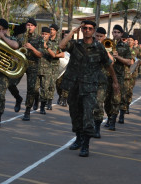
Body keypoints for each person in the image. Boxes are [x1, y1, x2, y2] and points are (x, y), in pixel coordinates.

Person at [59, 20, 119, 157]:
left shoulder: (99, 47)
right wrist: (73, 32)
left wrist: (115, 82)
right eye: (84, 28)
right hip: (74, 85)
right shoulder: (75, 44)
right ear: (82, 30)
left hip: (90, 87)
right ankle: (79, 138)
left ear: (93, 31)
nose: (87, 30)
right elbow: (61, 45)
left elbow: (109, 65)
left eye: (90, 28)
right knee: (75, 114)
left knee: (87, 116)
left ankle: (85, 144)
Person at [104, 25, 132, 131]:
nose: (115, 34)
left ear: (121, 34)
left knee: (116, 99)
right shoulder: (107, 44)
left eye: (117, 32)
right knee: (106, 100)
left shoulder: (125, 47)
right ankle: (109, 116)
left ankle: (112, 121)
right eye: (114, 32)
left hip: (119, 76)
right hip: (107, 75)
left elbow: (129, 62)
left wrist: (118, 57)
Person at [20, 18, 44, 121]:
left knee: (31, 89)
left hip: (33, 66)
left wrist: (32, 48)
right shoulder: (21, 37)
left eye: (31, 25)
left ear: (35, 27)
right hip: (22, 64)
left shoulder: (39, 38)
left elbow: (40, 54)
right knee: (11, 83)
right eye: (27, 25)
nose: (29, 26)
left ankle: (27, 111)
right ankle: (18, 98)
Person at [93, 27, 114, 138]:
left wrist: (104, 49)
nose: (99, 38)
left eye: (101, 37)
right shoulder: (89, 44)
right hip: (88, 80)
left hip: (101, 81)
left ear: (104, 37)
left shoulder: (107, 46)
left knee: (98, 104)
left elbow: (111, 61)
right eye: (97, 36)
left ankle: (97, 128)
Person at [33, 27, 54, 114]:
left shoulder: (52, 44)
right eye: (42, 34)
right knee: (35, 89)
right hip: (37, 69)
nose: (44, 36)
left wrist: (46, 47)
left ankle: (42, 107)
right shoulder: (37, 42)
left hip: (47, 71)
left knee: (45, 90)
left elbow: (54, 55)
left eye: (46, 34)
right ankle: (36, 101)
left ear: (49, 35)